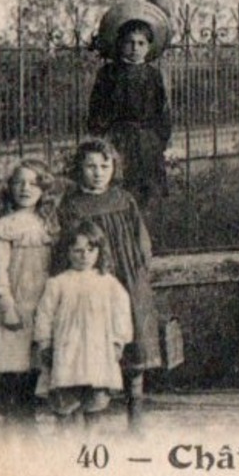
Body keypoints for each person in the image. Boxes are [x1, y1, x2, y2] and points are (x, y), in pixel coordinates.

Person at [59, 138, 160, 426]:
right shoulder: (73, 204)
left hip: (128, 277)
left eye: (105, 166)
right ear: (79, 169)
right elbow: (69, 244)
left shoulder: (124, 198)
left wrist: (141, 269)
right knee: (94, 341)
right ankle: (90, 410)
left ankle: (135, 410)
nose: (98, 172)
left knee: (133, 337)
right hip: (95, 279)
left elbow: (141, 238)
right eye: (90, 166)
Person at [0, 159, 60, 425]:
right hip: (16, 308)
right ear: (9, 188)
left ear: (44, 188)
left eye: (34, 183)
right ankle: (14, 435)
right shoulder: (3, 228)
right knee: (13, 374)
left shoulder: (49, 225)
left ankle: (28, 430)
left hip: (43, 308)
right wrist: (6, 305)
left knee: (34, 375)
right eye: (19, 182)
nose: (26, 188)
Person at [33, 221, 133, 424]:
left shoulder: (108, 283)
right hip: (67, 351)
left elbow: (121, 312)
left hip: (97, 352)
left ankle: (90, 444)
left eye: (90, 250)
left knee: (95, 402)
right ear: (68, 252)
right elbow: (45, 314)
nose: (84, 256)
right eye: (78, 250)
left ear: (99, 251)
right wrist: (44, 343)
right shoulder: (58, 283)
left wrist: (117, 341)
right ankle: (67, 447)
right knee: (65, 403)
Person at [86, 0, 173, 206]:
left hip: (148, 143)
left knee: (150, 193)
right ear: (121, 44)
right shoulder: (108, 73)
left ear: (149, 47)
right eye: (130, 42)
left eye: (141, 43)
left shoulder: (153, 75)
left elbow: (162, 110)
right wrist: (103, 139)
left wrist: (159, 140)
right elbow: (97, 110)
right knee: (121, 190)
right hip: (118, 140)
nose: (135, 48)